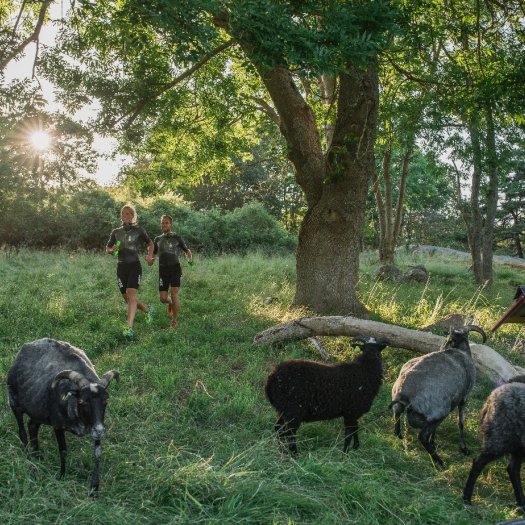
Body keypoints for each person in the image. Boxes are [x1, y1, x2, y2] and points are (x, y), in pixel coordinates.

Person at [106, 204, 155, 337]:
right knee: (127, 298)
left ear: (132, 216)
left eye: (128, 214)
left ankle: (129, 328)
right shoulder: (116, 232)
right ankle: (147, 310)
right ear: (121, 216)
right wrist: (112, 251)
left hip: (134, 266)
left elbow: (150, 243)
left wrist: (150, 255)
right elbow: (108, 248)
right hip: (121, 267)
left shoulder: (139, 230)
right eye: (123, 213)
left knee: (131, 296)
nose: (125, 216)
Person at [148, 214, 192, 328]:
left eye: (166, 222)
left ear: (170, 224)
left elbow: (187, 251)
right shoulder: (157, 239)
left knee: (174, 294)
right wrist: (150, 260)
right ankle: (171, 303)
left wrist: (190, 263)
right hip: (163, 270)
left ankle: (174, 321)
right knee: (163, 298)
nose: (164, 224)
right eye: (162, 222)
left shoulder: (176, 237)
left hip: (175, 268)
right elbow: (153, 256)